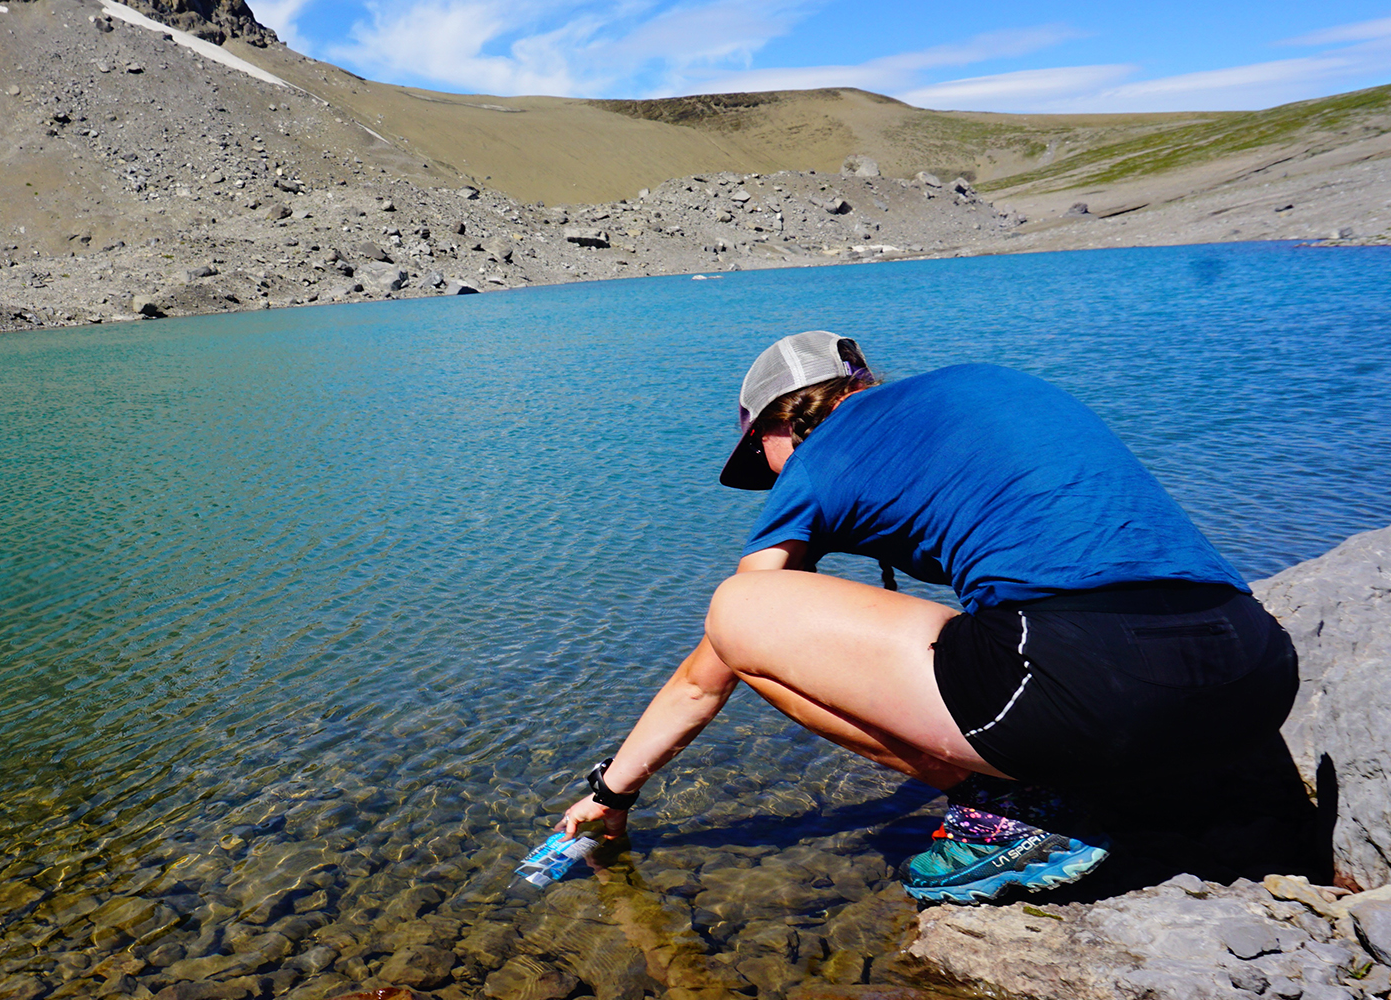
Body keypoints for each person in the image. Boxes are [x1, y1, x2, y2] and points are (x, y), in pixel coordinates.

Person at [555, 331, 1298, 903]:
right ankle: (1110, 784)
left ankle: (1013, 813)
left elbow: (714, 660)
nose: (771, 480)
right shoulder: (983, 384)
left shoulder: (817, 460)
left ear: (780, 426)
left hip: (1090, 688)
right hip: (1254, 673)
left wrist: (612, 792)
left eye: (763, 458)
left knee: (736, 606)